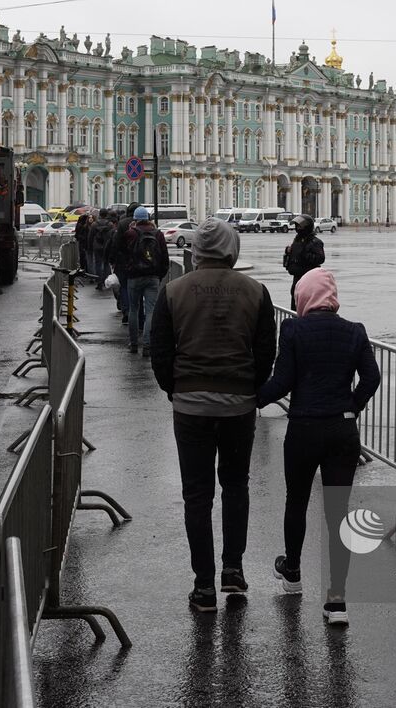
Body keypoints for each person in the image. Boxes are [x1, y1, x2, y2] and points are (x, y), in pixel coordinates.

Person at [151, 219, 277, 613]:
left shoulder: (172, 291)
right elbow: (265, 352)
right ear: (231, 248)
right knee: (236, 486)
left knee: (197, 496)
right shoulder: (256, 291)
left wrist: (177, 389)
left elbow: (160, 353)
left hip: (190, 407)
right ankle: (233, 570)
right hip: (239, 406)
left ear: (196, 251)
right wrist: (250, 390)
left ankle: (203, 586)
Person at [257, 268, 380, 626]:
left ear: (304, 297)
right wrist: (351, 407)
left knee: (296, 502)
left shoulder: (293, 329)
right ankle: (337, 599)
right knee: (338, 514)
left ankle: (292, 573)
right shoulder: (354, 331)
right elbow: (372, 377)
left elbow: (283, 381)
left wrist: (252, 398)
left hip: (304, 429)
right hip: (343, 432)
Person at [122, 206, 170, 355]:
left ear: (135, 219)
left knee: (134, 310)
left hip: (134, 277)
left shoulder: (129, 234)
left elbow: (123, 254)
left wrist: (127, 272)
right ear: (149, 219)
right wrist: (159, 275)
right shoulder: (158, 234)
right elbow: (164, 257)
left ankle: (134, 344)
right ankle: (148, 345)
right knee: (150, 311)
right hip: (153, 277)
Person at [283, 214, 326, 310]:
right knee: (295, 305)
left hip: (309, 280)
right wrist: (288, 252)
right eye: (296, 226)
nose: (297, 228)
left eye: (300, 226)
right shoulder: (297, 240)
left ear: (307, 227)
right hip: (296, 278)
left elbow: (320, 259)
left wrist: (305, 254)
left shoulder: (315, 242)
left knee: (306, 306)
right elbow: (293, 256)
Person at [108, 202, 141, 321]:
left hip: (123, 260)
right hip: (140, 261)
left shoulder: (122, 223)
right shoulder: (145, 223)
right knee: (139, 288)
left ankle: (127, 311)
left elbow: (116, 243)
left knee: (124, 287)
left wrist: (113, 259)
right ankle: (140, 314)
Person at [88, 210, 116, 290]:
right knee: (106, 263)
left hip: (97, 247)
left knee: (98, 264)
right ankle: (106, 281)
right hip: (107, 246)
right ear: (106, 214)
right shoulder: (110, 225)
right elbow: (113, 236)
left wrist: (90, 248)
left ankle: (99, 282)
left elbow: (90, 237)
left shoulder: (94, 225)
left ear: (100, 215)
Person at [73, 213, 93, 279]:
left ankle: (83, 270)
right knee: (86, 258)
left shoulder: (79, 225)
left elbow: (76, 235)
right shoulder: (84, 226)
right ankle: (86, 271)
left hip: (81, 243)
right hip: (85, 244)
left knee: (82, 258)